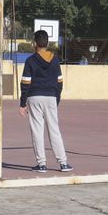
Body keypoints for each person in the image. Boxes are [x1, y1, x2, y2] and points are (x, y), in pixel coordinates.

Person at [20, 29, 71, 172]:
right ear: (47, 43)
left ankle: (41, 164)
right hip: (51, 97)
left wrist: (22, 103)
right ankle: (63, 163)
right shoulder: (55, 59)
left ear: (34, 43)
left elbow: (25, 82)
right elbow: (60, 82)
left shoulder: (30, 60)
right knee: (54, 129)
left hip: (34, 97)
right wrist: (56, 99)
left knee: (37, 130)